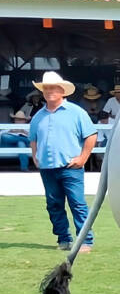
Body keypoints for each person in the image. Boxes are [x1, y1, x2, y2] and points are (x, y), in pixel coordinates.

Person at [28, 71, 97, 252]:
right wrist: (35, 156)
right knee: (54, 204)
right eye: (46, 88)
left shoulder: (76, 113)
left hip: (70, 167)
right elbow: (33, 138)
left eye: (53, 88)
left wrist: (83, 158)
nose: (49, 91)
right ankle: (63, 239)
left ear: (61, 90)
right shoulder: (38, 116)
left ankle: (85, 240)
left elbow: (91, 135)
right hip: (48, 168)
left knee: (77, 203)